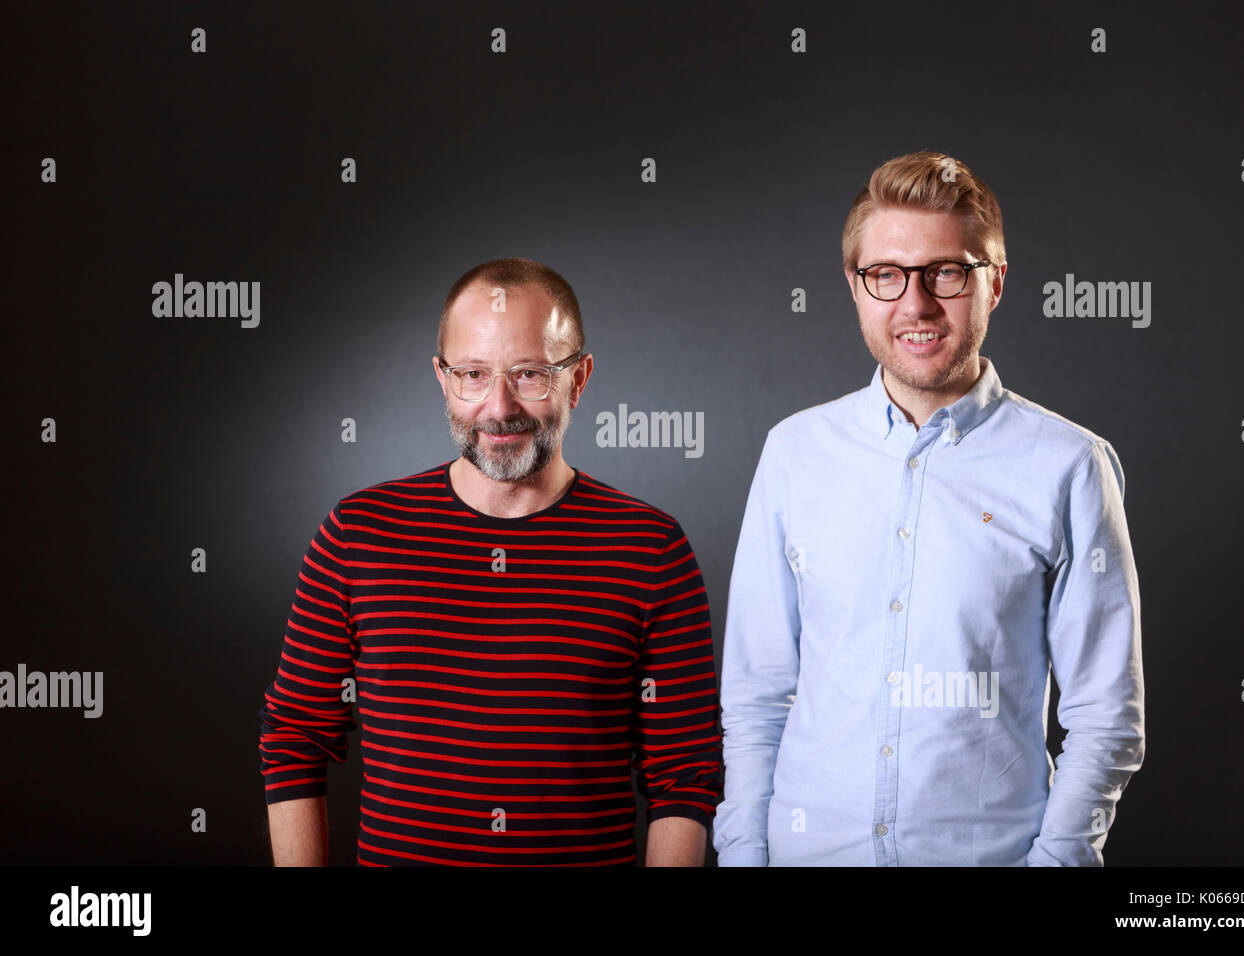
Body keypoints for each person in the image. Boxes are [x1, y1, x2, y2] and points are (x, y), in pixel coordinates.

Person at [713, 151, 1145, 866]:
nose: (915, 305)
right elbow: (758, 697)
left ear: (995, 282)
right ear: (855, 286)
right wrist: (744, 855)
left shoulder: (1070, 465)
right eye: (885, 275)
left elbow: (1105, 718)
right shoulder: (793, 453)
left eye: (946, 272)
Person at [259, 257, 721, 866]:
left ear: (578, 380)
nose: (498, 407)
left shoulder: (651, 549)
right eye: (472, 374)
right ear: (442, 378)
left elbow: (683, 776)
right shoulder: (357, 534)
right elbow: (295, 737)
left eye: (529, 373)